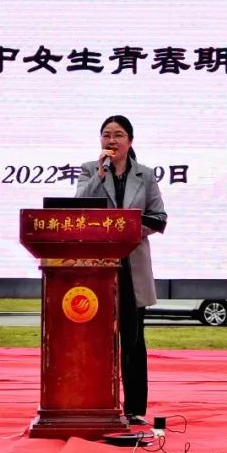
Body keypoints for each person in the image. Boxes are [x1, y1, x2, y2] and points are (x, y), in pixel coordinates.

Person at [74, 115, 166, 427]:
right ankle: (94, 402)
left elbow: (159, 218)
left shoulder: (145, 175)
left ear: (130, 141)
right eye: (106, 135)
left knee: (133, 339)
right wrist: (99, 176)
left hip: (131, 264)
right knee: (95, 336)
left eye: (118, 135)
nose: (111, 141)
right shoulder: (90, 169)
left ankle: (135, 408)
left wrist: (126, 230)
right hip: (98, 266)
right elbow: (78, 208)